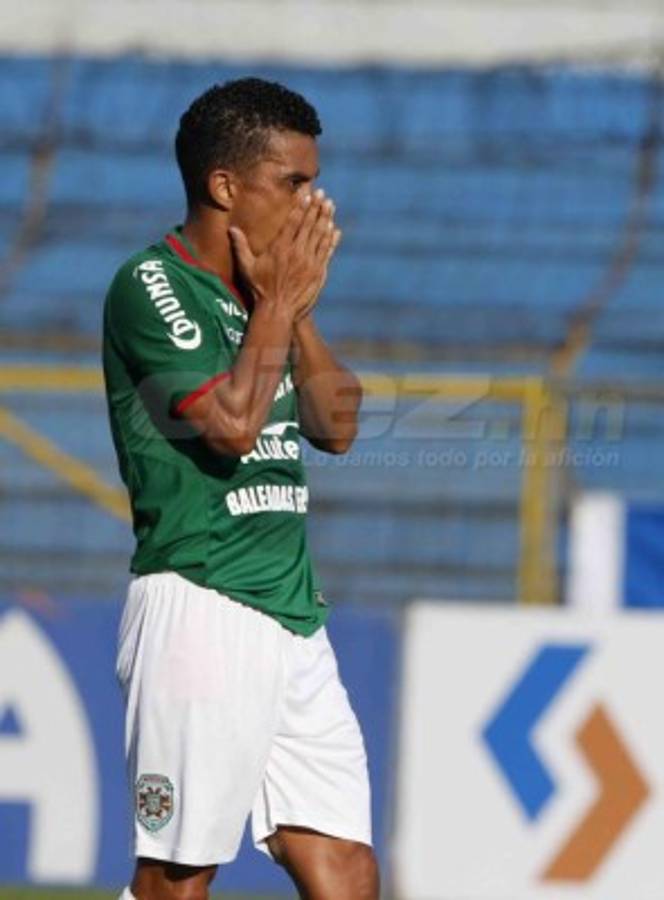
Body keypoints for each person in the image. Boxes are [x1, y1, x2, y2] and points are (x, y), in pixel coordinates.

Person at [103, 77, 379, 900]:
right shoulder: (150, 285)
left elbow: (337, 425)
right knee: (179, 878)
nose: (309, 201)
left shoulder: (268, 301)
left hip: (293, 616)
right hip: (201, 601)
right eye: (292, 182)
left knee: (345, 864)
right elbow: (230, 425)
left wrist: (289, 311)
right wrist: (277, 306)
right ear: (225, 186)